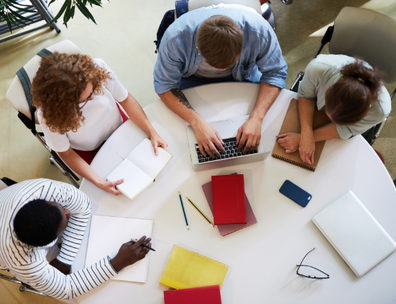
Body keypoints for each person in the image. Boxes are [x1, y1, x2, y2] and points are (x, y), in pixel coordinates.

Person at [153, 4, 287, 157]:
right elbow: (164, 86)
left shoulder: (259, 32)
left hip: (243, 76)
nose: (222, 71)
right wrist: (197, 123)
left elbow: (275, 73)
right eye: (214, 65)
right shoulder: (175, 40)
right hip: (192, 78)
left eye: (228, 65)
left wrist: (257, 118)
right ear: (198, 46)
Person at [32, 52, 168, 195]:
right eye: (84, 100)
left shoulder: (96, 67)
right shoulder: (48, 115)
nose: (92, 99)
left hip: (118, 125)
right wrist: (99, 182)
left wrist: (152, 132)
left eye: (94, 88)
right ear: (65, 104)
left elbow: (125, 99)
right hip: (87, 149)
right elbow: (66, 154)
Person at [0, 178, 151, 301]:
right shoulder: (23, 262)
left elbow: (82, 206)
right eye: (64, 222)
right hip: (5, 255)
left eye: (58, 206)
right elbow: (67, 290)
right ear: (48, 244)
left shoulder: (42, 190)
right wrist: (118, 262)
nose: (67, 212)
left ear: (41, 201)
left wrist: (64, 261)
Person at [277, 54, 391, 164]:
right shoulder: (318, 68)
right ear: (328, 89)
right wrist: (306, 135)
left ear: (367, 110)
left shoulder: (380, 110)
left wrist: (305, 138)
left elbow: (346, 129)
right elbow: (306, 96)